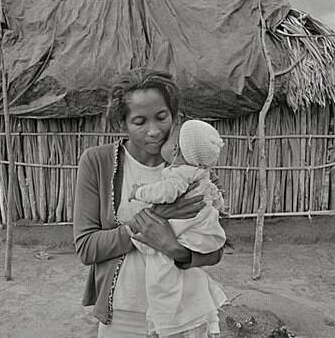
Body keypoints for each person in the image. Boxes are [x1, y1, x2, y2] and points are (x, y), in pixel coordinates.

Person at [74, 69, 225, 338]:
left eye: (161, 117)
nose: (153, 131)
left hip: (184, 312)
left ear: (175, 116)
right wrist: (154, 218)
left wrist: (174, 248)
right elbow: (86, 248)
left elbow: (214, 248)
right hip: (122, 314)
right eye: (139, 121)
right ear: (124, 123)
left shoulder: (194, 169)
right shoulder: (97, 162)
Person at [124, 119, 228, 336]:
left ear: (176, 149)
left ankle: (169, 320)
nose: (155, 131)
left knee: (162, 278)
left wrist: (138, 192)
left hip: (183, 234)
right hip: (198, 232)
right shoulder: (200, 172)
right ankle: (195, 316)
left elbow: (166, 192)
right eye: (139, 120)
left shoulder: (179, 173)